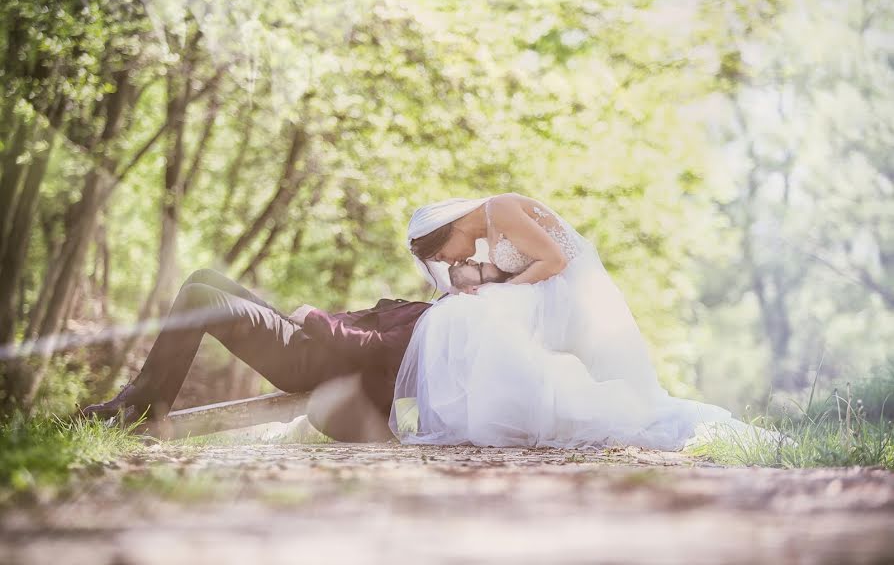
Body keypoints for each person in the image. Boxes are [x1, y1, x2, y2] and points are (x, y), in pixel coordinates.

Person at [391, 192, 786, 450]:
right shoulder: (491, 222)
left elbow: (556, 261)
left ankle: (513, 413)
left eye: (444, 256)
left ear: (446, 231)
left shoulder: (501, 208)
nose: (453, 262)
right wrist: (490, 282)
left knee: (477, 315)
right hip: (549, 294)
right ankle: (513, 411)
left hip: (571, 297)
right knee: (457, 313)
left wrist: (499, 291)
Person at [80, 267, 495, 441]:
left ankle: (141, 407)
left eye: (475, 265)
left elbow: (376, 350)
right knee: (203, 278)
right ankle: (140, 399)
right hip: (306, 340)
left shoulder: (441, 323)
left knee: (198, 297)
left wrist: (312, 317)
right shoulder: (439, 307)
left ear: (478, 289)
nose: (466, 260)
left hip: (307, 359)